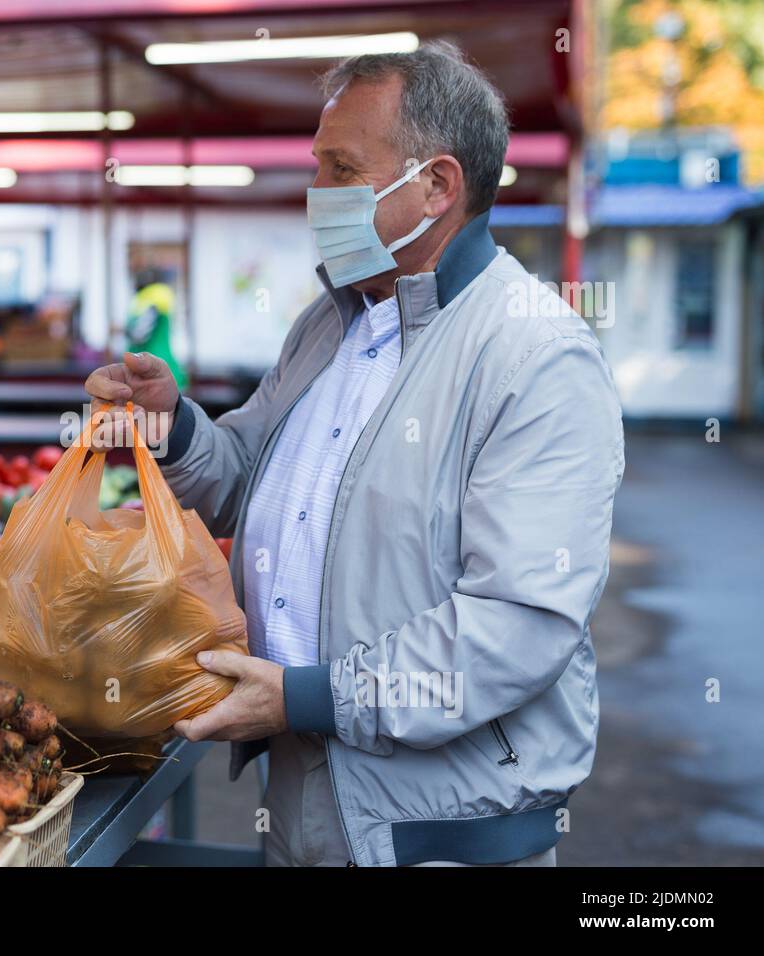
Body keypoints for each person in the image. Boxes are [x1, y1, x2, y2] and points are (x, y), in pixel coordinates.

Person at [86, 41, 625, 867]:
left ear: (437, 187)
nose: (316, 194)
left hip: (441, 837)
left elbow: (517, 626)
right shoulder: (333, 322)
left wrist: (309, 697)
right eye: (317, 166)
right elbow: (246, 481)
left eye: (341, 168)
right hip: (308, 810)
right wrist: (178, 429)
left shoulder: (534, 356)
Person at [126, 267, 188, 390]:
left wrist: (123, 330)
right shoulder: (160, 297)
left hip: (151, 370)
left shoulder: (149, 300)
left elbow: (138, 334)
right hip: (164, 367)